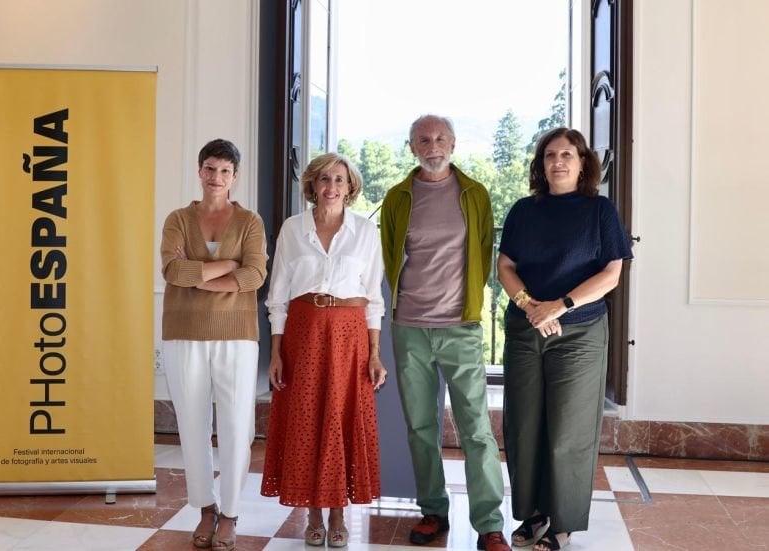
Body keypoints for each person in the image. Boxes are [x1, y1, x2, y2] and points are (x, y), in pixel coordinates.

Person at [497, 127, 632, 551]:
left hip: (579, 331)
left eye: (567, 155)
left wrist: (559, 306)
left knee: (568, 432)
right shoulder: (524, 210)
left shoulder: (600, 211)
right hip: (525, 328)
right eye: (550, 154)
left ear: (582, 163)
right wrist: (531, 306)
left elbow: (611, 273)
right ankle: (532, 514)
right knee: (524, 426)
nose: (558, 161)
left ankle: (562, 523)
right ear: (540, 164)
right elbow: (505, 265)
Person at [381, 115, 510, 551]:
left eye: (439, 138)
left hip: (461, 326)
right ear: (412, 146)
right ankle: (433, 512)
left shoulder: (474, 193)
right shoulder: (399, 196)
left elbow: (482, 254)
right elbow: (389, 254)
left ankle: (490, 525)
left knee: (476, 428)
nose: (432, 145)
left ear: (453, 144)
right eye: (423, 139)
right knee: (420, 426)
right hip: (409, 328)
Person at [260, 152, 387, 548]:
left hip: (350, 337)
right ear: (313, 185)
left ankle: (338, 513)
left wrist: (375, 353)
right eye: (324, 179)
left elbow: (373, 299)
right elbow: (277, 296)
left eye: (339, 180)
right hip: (302, 334)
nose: (331, 187)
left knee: (341, 420)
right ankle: (312, 511)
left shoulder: (366, 233)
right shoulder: (292, 229)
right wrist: (276, 353)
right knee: (307, 420)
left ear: (350, 188)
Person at [160, 138, 268, 551]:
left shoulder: (250, 222)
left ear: (235, 176)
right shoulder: (177, 218)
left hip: (237, 335)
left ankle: (230, 513)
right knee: (191, 424)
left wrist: (200, 273)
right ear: (199, 171)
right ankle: (205, 508)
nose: (216, 178)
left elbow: (255, 274)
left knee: (237, 425)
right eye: (210, 169)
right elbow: (171, 270)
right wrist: (226, 266)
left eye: (225, 171)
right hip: (183, 332)